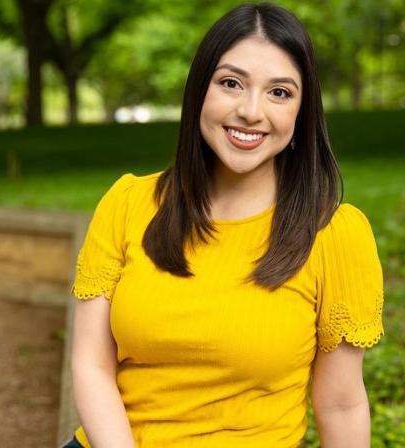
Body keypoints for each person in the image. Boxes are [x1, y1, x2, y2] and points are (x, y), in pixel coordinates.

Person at [62, 3, 384, 447]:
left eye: (280, 92)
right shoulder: (127, 204)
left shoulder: (334, 234)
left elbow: (342, 404)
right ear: (200, 91)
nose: (251, 111)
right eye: (231, 83)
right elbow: (92, 365)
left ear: (301, 113)